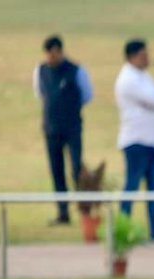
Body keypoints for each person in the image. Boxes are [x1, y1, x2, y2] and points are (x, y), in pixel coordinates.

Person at [115, 39, 154, 243]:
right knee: (132, 186)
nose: (147, 58)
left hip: (152, 139)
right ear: (132, 57)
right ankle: (122, 228)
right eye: (143, 55)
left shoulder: (144, 76)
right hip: (136, 140)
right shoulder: (128, 79)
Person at [34, 35, 93, 226]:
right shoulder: (41, 71)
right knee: (56, 170)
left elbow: (87, 95)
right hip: (52, 128)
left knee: (76, 168)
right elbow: (41, 94)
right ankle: (63, 211)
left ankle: (85, 210)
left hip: (72, 127)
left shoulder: (76, 71)